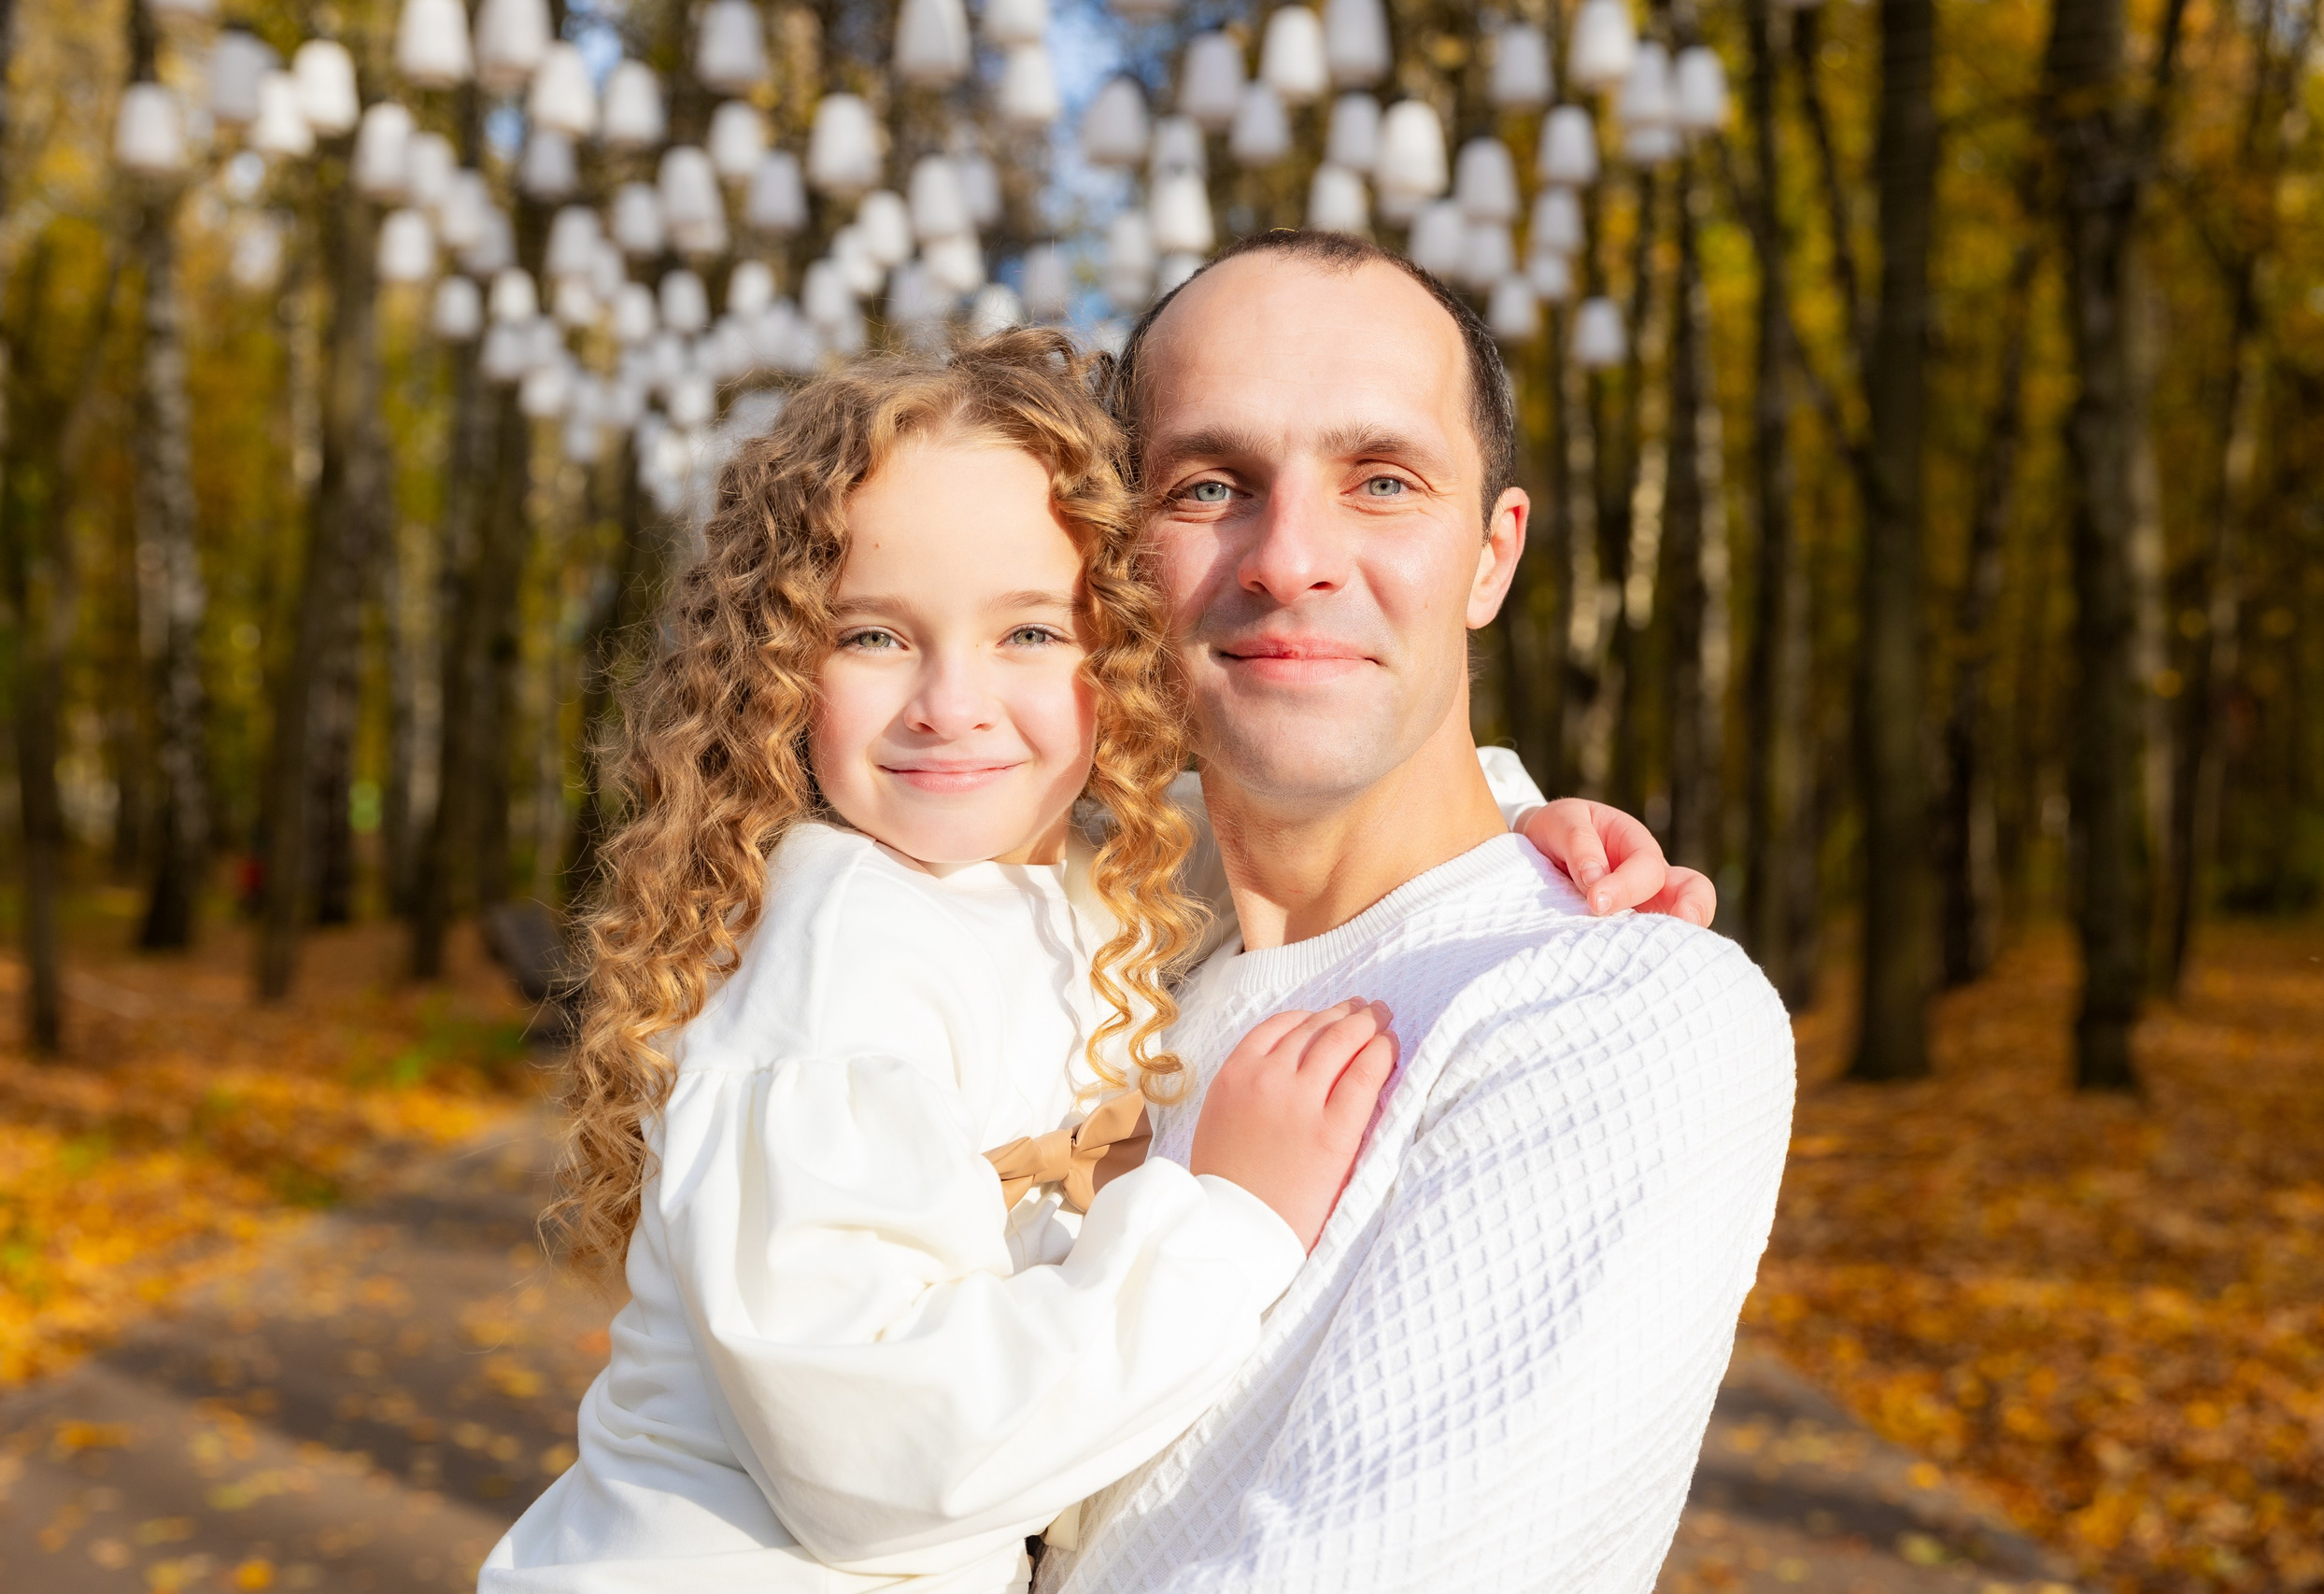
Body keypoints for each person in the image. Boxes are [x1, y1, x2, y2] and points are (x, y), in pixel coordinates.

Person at [480, 332, 1693, 1594]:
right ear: (780, 672)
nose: (951, 702)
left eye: (1029, 634)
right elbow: (874, 1463)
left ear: (1119, 655)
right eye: (874, 638)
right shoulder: (839, 961)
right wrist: (1230, 1222)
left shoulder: (1057, 872)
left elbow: (1324, 854)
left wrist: (1513, 840)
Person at [1035, 233, 1797, 1594]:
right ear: (1117, 558)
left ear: (1492, 558)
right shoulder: (1077, 933)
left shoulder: (1616, 1007)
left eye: (1383, 481)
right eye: (1211, 484)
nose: (1292, 558)